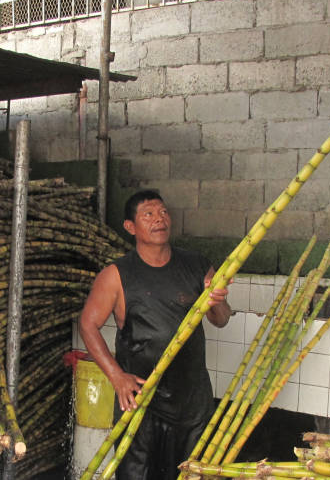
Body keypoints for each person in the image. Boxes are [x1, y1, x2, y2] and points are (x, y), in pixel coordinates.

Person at [79, 189, 232, 479]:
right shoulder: (116, 274)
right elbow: (88, 325)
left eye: (162, 212)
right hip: (140, 400)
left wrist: (218, 300)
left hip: (192, 400)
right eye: (148, 214)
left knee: (190, 474)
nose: (159, 219)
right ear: (130, 227)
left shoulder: (197, 265)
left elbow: (221, 320)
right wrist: (117, 376)